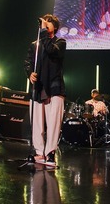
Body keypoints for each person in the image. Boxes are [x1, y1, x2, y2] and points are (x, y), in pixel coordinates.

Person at [25, 14, 66, 166]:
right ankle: (39, 152)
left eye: (49, 22)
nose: (45, 24)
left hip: (54, 87)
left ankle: (50, 153)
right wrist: (29, 73)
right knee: (36, 122)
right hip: (38, 87)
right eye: (44, 22)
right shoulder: (34, 45)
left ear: (55, 27)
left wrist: (43, 33)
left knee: (53, 122)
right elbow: (27, 62)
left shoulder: (60, 42)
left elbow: (51, 51)